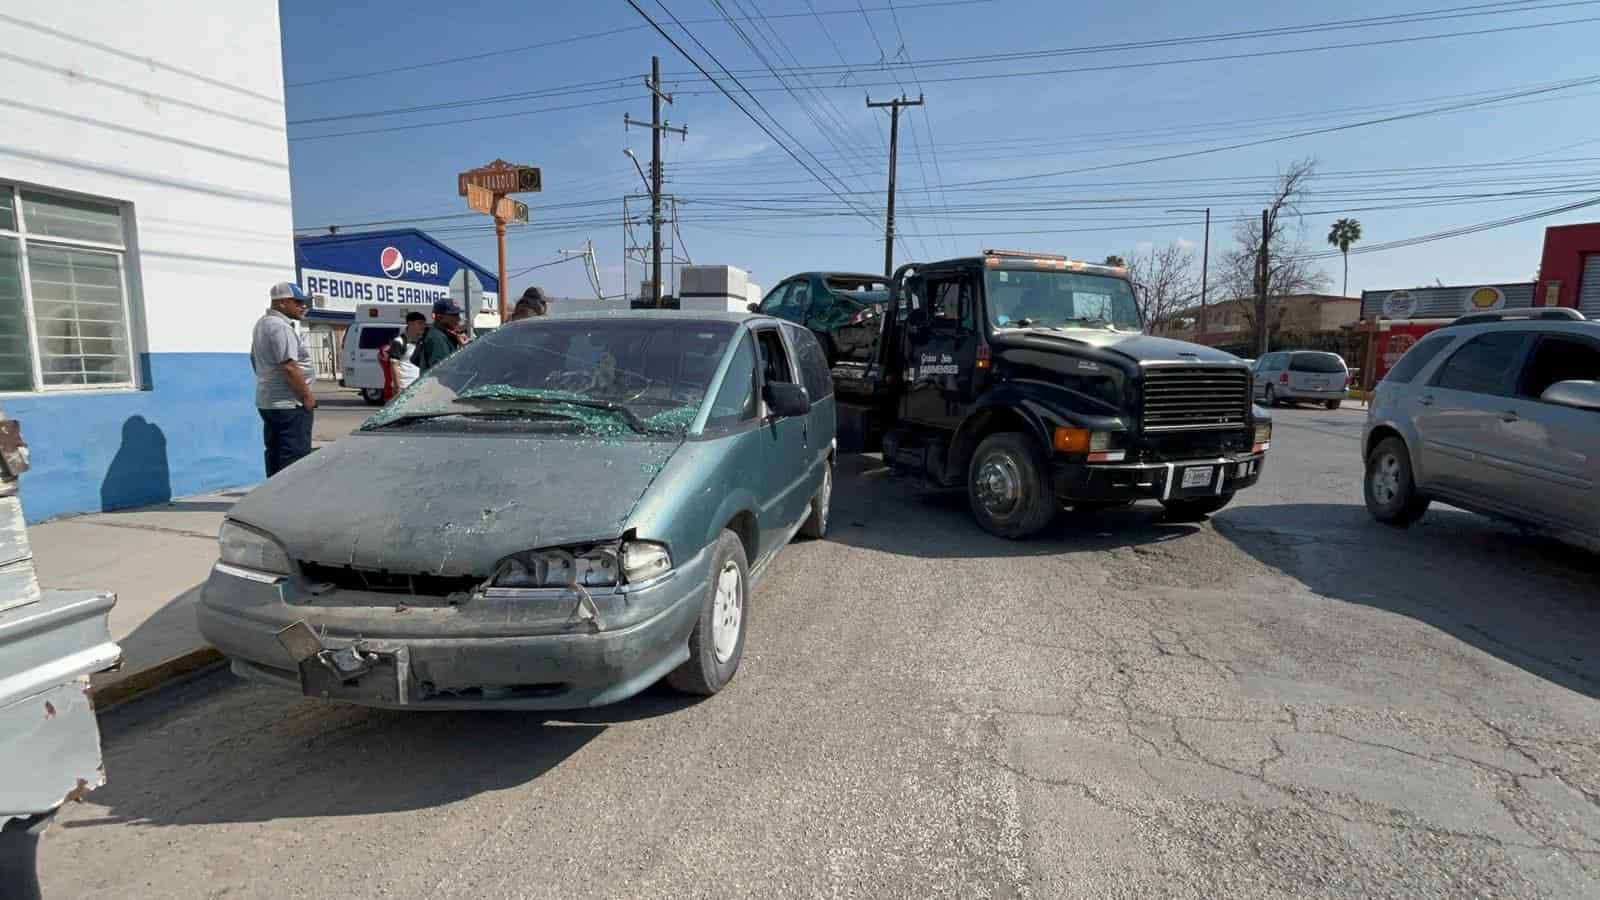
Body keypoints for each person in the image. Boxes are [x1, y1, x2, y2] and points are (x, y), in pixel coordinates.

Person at [252, 282, 316, 476]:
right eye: (298, 302)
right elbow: (289, 366)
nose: (303, 306)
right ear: (282, 303)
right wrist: (306, 397)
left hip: (270, 401)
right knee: (294, 458)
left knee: (275, 453)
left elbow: (253, 358)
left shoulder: (262, 324)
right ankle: (290, 502)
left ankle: (273, 498)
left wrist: (267, 380)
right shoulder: (280, 327)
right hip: (290, 405)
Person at [384, 311, 427, 401]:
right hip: (404, 387)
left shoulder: (422, 341)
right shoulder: (399, 341)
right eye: (420, 323)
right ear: (410, 324)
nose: (423, 326)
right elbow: (394, 365)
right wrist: (397, 386)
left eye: (424, 323)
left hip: (418, 386)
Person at [412, 299, 463, 375]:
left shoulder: (443, 334)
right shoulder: (437, 338)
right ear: (440, 317)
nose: (459, 318)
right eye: (454, 315)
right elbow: (444, 371)